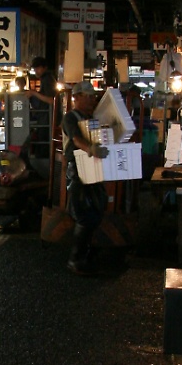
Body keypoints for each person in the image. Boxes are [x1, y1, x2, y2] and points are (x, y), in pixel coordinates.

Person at [62, 81, 109, 276]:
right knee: (83, 214)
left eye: (93, 96)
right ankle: (75, 260)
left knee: (97, 208)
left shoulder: (90, 118)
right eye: (88, 96)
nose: (92, 99)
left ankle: (86, 255)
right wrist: (90, 149)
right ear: (77, 97)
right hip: (77, 169)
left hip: (92, 167)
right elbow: (75, 139)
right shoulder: (70, 118)